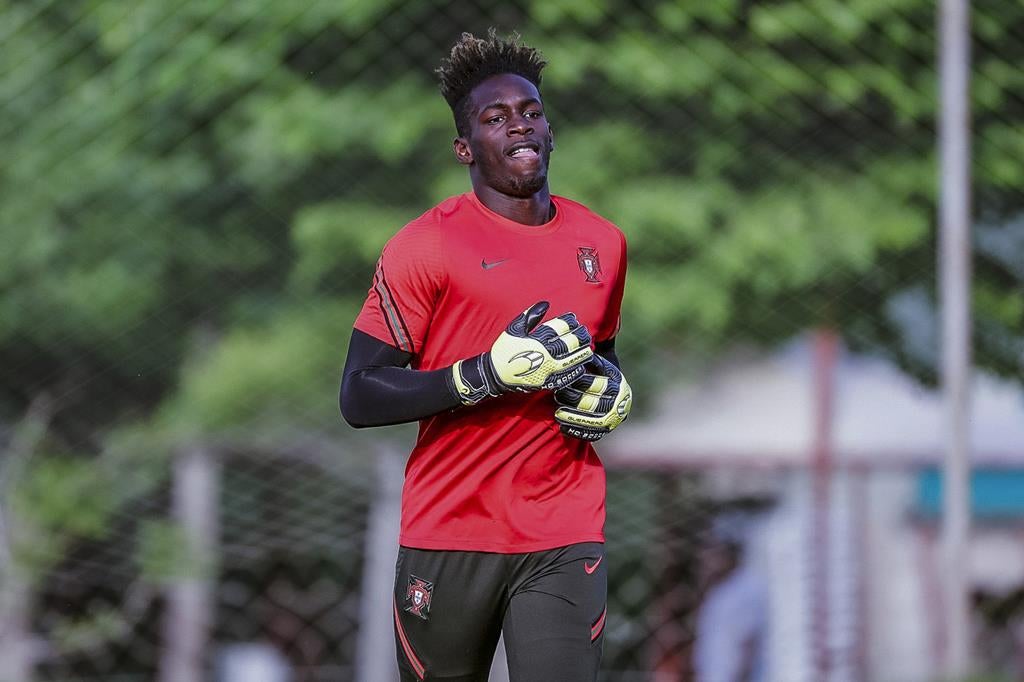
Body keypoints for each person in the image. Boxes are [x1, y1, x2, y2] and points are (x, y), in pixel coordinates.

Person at [339, 29, 631, 682]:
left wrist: (610, 393)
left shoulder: (603, 244)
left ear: (549, 131)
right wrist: (481, 376)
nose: (519, 125)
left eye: (531, 112)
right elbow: (359, 393)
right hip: (449, 529)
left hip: (563, 525)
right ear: (465, 147)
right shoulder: (424, 247)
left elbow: (601, 359)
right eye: (495, 118)